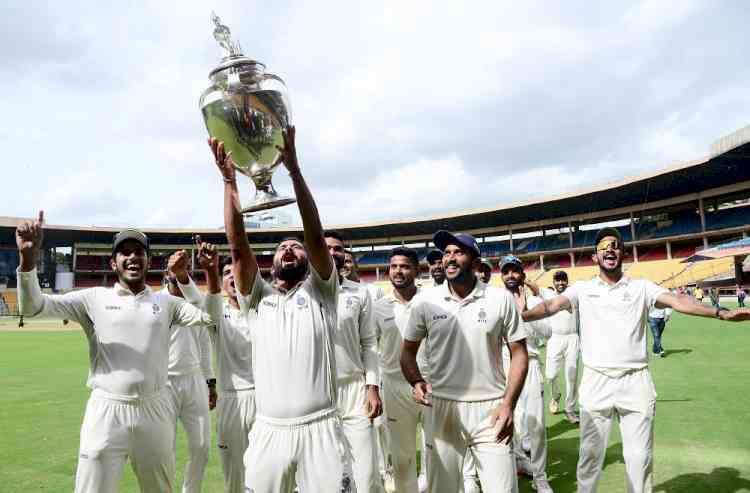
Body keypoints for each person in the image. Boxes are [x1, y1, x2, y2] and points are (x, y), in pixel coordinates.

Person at [521, 227, 750, 493]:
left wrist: (720, 312)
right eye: (604, 247)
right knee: (590, 458)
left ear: (622, 254)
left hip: (636, 381)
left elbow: (677, 301)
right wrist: (520, 317)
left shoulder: (641, 286)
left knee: (640, 459)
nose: (610, 249)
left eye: (615, 245)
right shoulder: (582, 289)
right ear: (595, 257)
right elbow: (550, 306)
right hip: (597, 382)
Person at [16, 213, 220, 493]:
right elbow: (33, 307)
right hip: (106, 410)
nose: (132, 257)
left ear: (149, 261)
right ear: (114, 263)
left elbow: (210, 319)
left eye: (139, 252)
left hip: (156, 407)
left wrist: (207, 275)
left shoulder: (167, 303)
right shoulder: (93, 298)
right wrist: (28, 260)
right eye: (124, 252)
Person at [209, 128, 354, 492]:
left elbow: (316, 236)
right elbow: (238, 246)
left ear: (309, 260)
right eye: (281, 247)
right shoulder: (257, 299)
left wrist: (295, 172)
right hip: (268, 430)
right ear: (270, 264)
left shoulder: (323, 292)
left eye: (296, 247)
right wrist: (229, 183)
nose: (289, 250)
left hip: (320, 428)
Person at [401, 230, 529, 493]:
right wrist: (416, 381)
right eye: (446, 253)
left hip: (491, 409)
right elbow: (407, 353)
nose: (449, 258)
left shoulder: (500, 299)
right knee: (442, 489)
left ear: (475, 261)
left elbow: (519, 353)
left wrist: (508, 405)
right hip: (442, 408)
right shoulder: (426, 301)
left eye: (458, 252)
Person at [175, 249, 257, 493]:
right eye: (226, 273)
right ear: (221, 282)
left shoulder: (265, 307)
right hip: (231, 401)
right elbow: (198, 301)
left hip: (268, 401)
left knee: (272, 474)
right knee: (234, 476)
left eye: (236, 271)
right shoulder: (217, 313)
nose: (232, 276)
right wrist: (191, 274)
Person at [325, 230, 384, 492]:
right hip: (317, 395)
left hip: (354, 391)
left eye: (338, 248)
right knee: (326, 475)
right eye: (326, 247)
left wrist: (372, 386)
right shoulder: (301, 290)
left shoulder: (360, 293)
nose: (332, 253)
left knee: (366, 475)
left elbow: (369, 343)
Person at [374, 247, 432, 492]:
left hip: (430, 384)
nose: (398, 271)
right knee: (401, 457)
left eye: (405, 266)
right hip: (394, 387)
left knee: (437, 451)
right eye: (394, 266)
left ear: (416, 270)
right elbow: (370, 349)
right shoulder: (379, 306)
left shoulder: (431, 302)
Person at [499, 255, 554, 493]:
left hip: (530, 365)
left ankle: (540, 477)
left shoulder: (532, 299)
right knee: (509, 422)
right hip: (502, 367)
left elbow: (547, 332)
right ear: (501, 276)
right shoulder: (495, 300)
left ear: (522, 274)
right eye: (506, 271)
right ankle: (516, 464)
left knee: (537, 425)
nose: (511, 275)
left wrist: (525, 314)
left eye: (515, 271)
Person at [163, 252, 216, 493]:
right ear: (166, 274)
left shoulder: (197, 303)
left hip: (194, 380)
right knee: (164, 448)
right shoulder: (155, 302)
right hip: (163, 384)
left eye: (184, 271)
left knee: (202, 445)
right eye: (175, 272)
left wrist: (210, 383)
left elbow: (205, 346)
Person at [542, 271, 580, 424]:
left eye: (563, 280)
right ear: (553, 282)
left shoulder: (574, 294)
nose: (560, 283)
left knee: (571, 376)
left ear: (567, 281)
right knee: (550, 375)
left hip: (572, 338)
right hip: (554, 338)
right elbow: (534, 287)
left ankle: (570, 410)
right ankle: (555, 395)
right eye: (557, 281)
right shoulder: (547, 294)